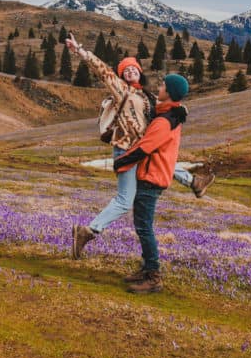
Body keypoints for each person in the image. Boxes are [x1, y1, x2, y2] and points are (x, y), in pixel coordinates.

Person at [67, 33, 212, 260]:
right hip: (127, 149)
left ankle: (194, 182)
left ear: (140, 71)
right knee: (125, 201)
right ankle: (88, 231)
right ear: (121, 75)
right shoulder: (121, 90)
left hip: (144, 147)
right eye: (125, 70)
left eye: (133, 68)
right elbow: (102, 70)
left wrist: (181, 110)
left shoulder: (148, 96)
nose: (130, 71)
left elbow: (168, 106)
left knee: (161, 160)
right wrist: (80, 51)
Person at [114, 72, 190, 294]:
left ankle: (153, 276)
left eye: (164, 85)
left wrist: (120, 162)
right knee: (142, 226)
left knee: (144, 227)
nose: (160, 87)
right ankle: (147, 269)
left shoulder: (164, 122)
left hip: (151, 177)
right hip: (154, 176)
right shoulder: (171, 114)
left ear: (170, 93)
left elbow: (144, 147)